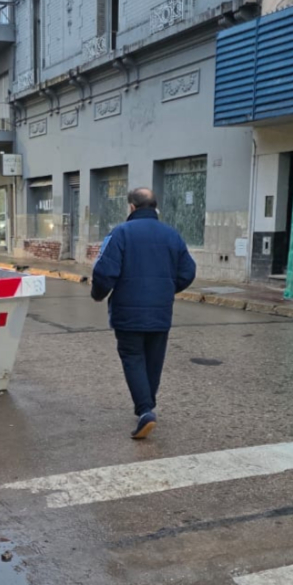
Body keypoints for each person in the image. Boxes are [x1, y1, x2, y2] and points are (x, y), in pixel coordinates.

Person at [91, 187, 196, 440]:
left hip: (128, 313)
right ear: (155, 206)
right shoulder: (172, 235)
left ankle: (145, 409)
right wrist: (167, 289)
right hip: (160, 311)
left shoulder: (120, 233)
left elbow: (105, 272)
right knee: (153, 359)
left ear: (132, 207)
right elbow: (188, 271)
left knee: (132, 356)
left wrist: (98, 294)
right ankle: (147, 404)